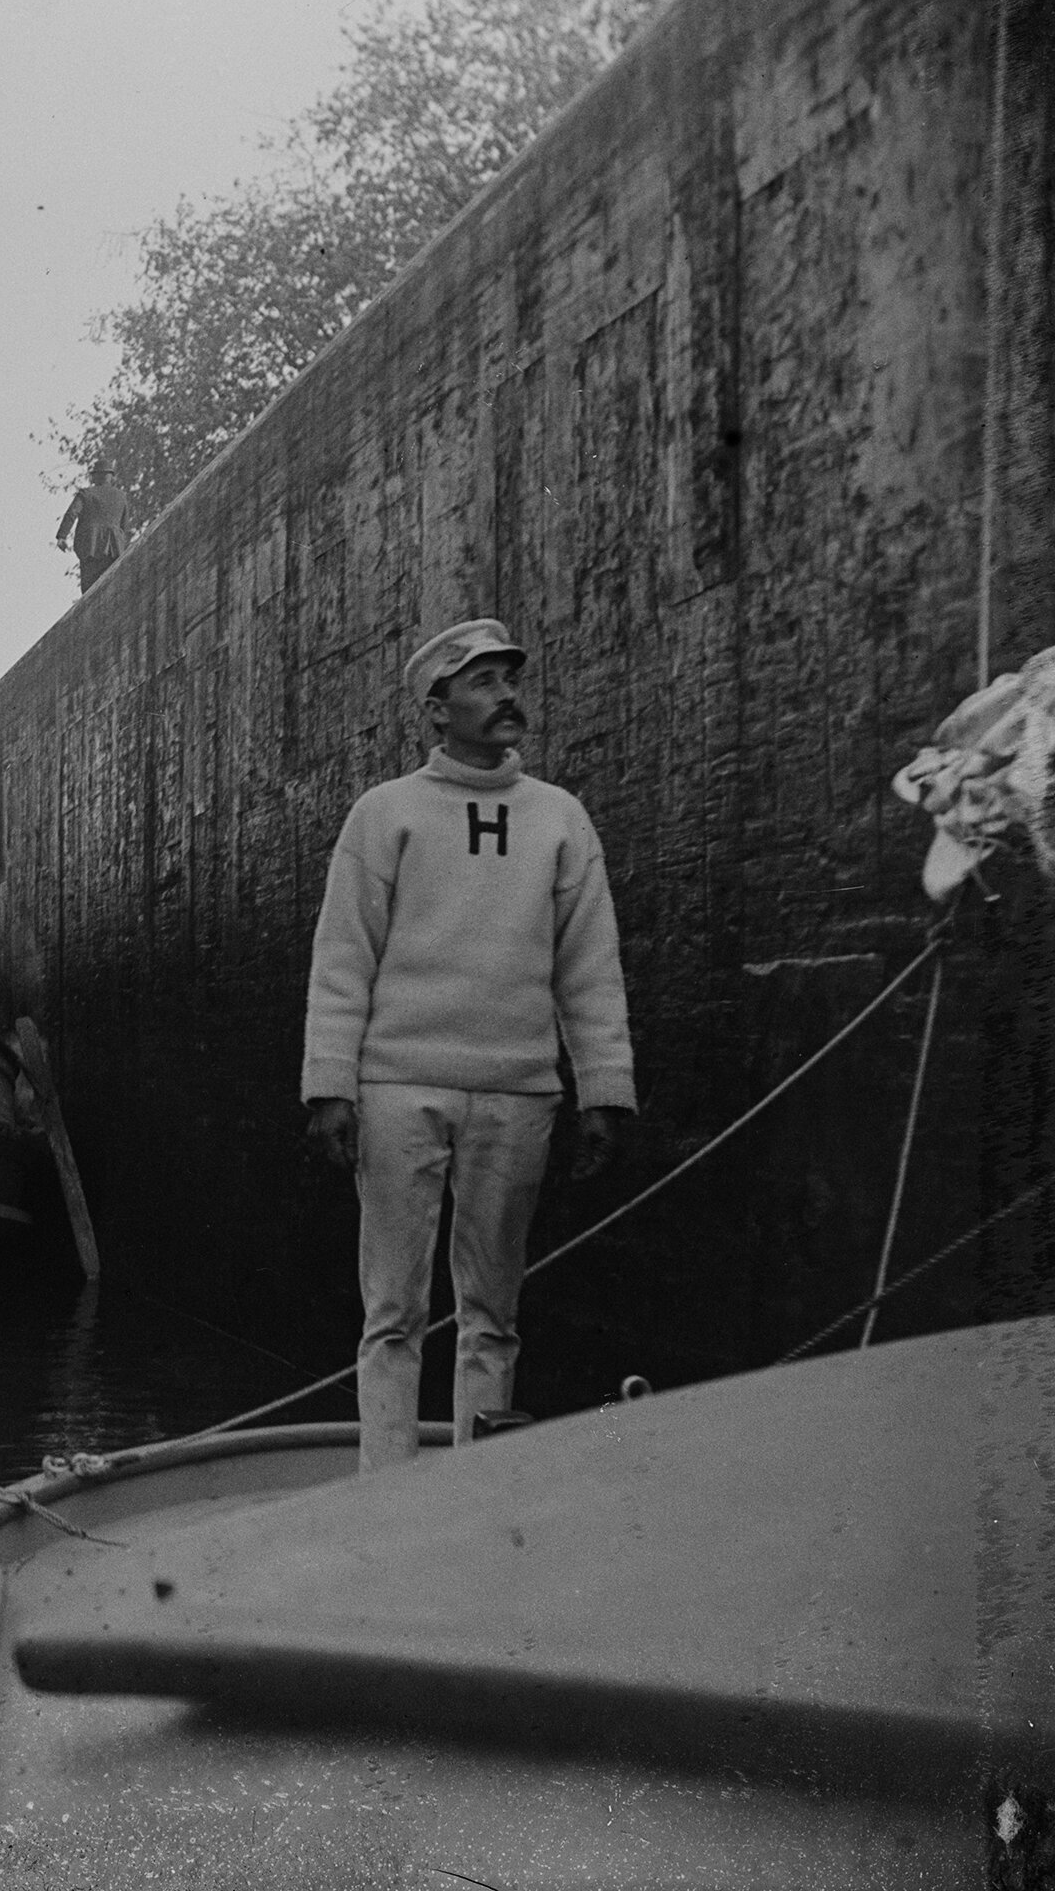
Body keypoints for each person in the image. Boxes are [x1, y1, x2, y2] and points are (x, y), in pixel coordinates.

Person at [299, 617, 635, 1473]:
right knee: (393, 1315)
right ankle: (386, 1491)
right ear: (437, 709)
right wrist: (331, 1087)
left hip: (519, 1097)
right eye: (483, 683)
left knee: (493, 1315)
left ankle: (472, 1500)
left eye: (510, 680)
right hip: (398, 1093)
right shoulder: (385, 815)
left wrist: (602, 1089)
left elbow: (588, 966)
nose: (506, 697)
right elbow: (345, 957)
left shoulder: (560, 818)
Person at [55, 462, 131, 593]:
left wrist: (62, 536)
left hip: (90, 548)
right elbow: (124, 526)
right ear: (110, 477)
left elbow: (72, 513)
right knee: (112, 587)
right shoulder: (121, 496)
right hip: (114, 549)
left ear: (95, 477)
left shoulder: (85, 494)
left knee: (89, 589)